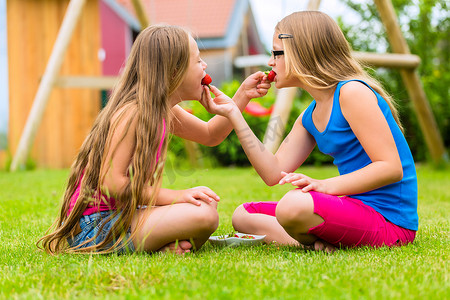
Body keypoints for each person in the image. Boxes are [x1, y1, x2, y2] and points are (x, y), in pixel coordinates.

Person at [37, 24, 271, 255]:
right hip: (96, 226)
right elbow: (112, 183)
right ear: (173, 72)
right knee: (203, 214)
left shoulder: (164, 110)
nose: (205, 66)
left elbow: (211, 135)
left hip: (126, 214)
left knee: (206, 209)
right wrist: (176, 196)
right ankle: (149, 244)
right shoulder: (132, 113)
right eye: (198, 61)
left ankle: (159, 245)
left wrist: (242, 96)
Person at [202, 11, 418, 253]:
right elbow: (273, 173)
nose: (270, 62)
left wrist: (323, 186)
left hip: (388, 222)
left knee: (293, 204)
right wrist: (235, 114)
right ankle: (316, 243)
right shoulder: (310, 115)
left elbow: (391, 168)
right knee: (244, 215)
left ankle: (316, 238)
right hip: (350, 208)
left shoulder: (352, 92)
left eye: (276, 53)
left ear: (302, 53)